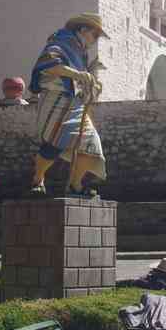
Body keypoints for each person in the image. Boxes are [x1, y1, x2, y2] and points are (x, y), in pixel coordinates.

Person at [28, 13, 108, 197]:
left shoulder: (82, 52)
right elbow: (48, 65)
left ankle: (75, 184)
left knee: (92, 145)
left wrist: (93, 84)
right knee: (53, 144)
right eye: (95, 35)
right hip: (55, 100)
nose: (96, 40)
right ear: (83, 29)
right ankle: (38, 180)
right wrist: (78, 75)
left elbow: (82, 78)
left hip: (76, 104)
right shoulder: (60, 42)